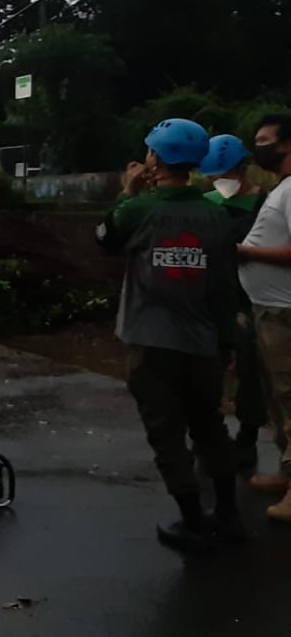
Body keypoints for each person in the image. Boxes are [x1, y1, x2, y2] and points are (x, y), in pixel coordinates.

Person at [95, 118, 240, 552]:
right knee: (211, 427)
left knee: (166, 434)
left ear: (156, 158)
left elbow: (105, 239)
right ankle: (229, 516)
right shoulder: (215, 213)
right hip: (203, 344)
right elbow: (224, 286)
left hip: (152, 343)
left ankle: (193, 523)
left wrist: (127, 190)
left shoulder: (139, 209)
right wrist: (227, 341)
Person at [199, 134, 266, 474]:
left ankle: (248, 438)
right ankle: (211, 437)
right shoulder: (206, 203)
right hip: (210, 300)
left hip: (250, 300)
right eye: (213, 176)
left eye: (224, 174)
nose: (219, 182)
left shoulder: (265, 204)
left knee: (250, 371)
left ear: (244, 169)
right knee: (205, 372)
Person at [236, 114, 291, 521]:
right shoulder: (282, 188)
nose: (259, 147)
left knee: (290, 398)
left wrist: (245, 252)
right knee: (277, 399)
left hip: (284, 313)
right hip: (268, 310)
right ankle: (288, 474)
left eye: (264, 140)